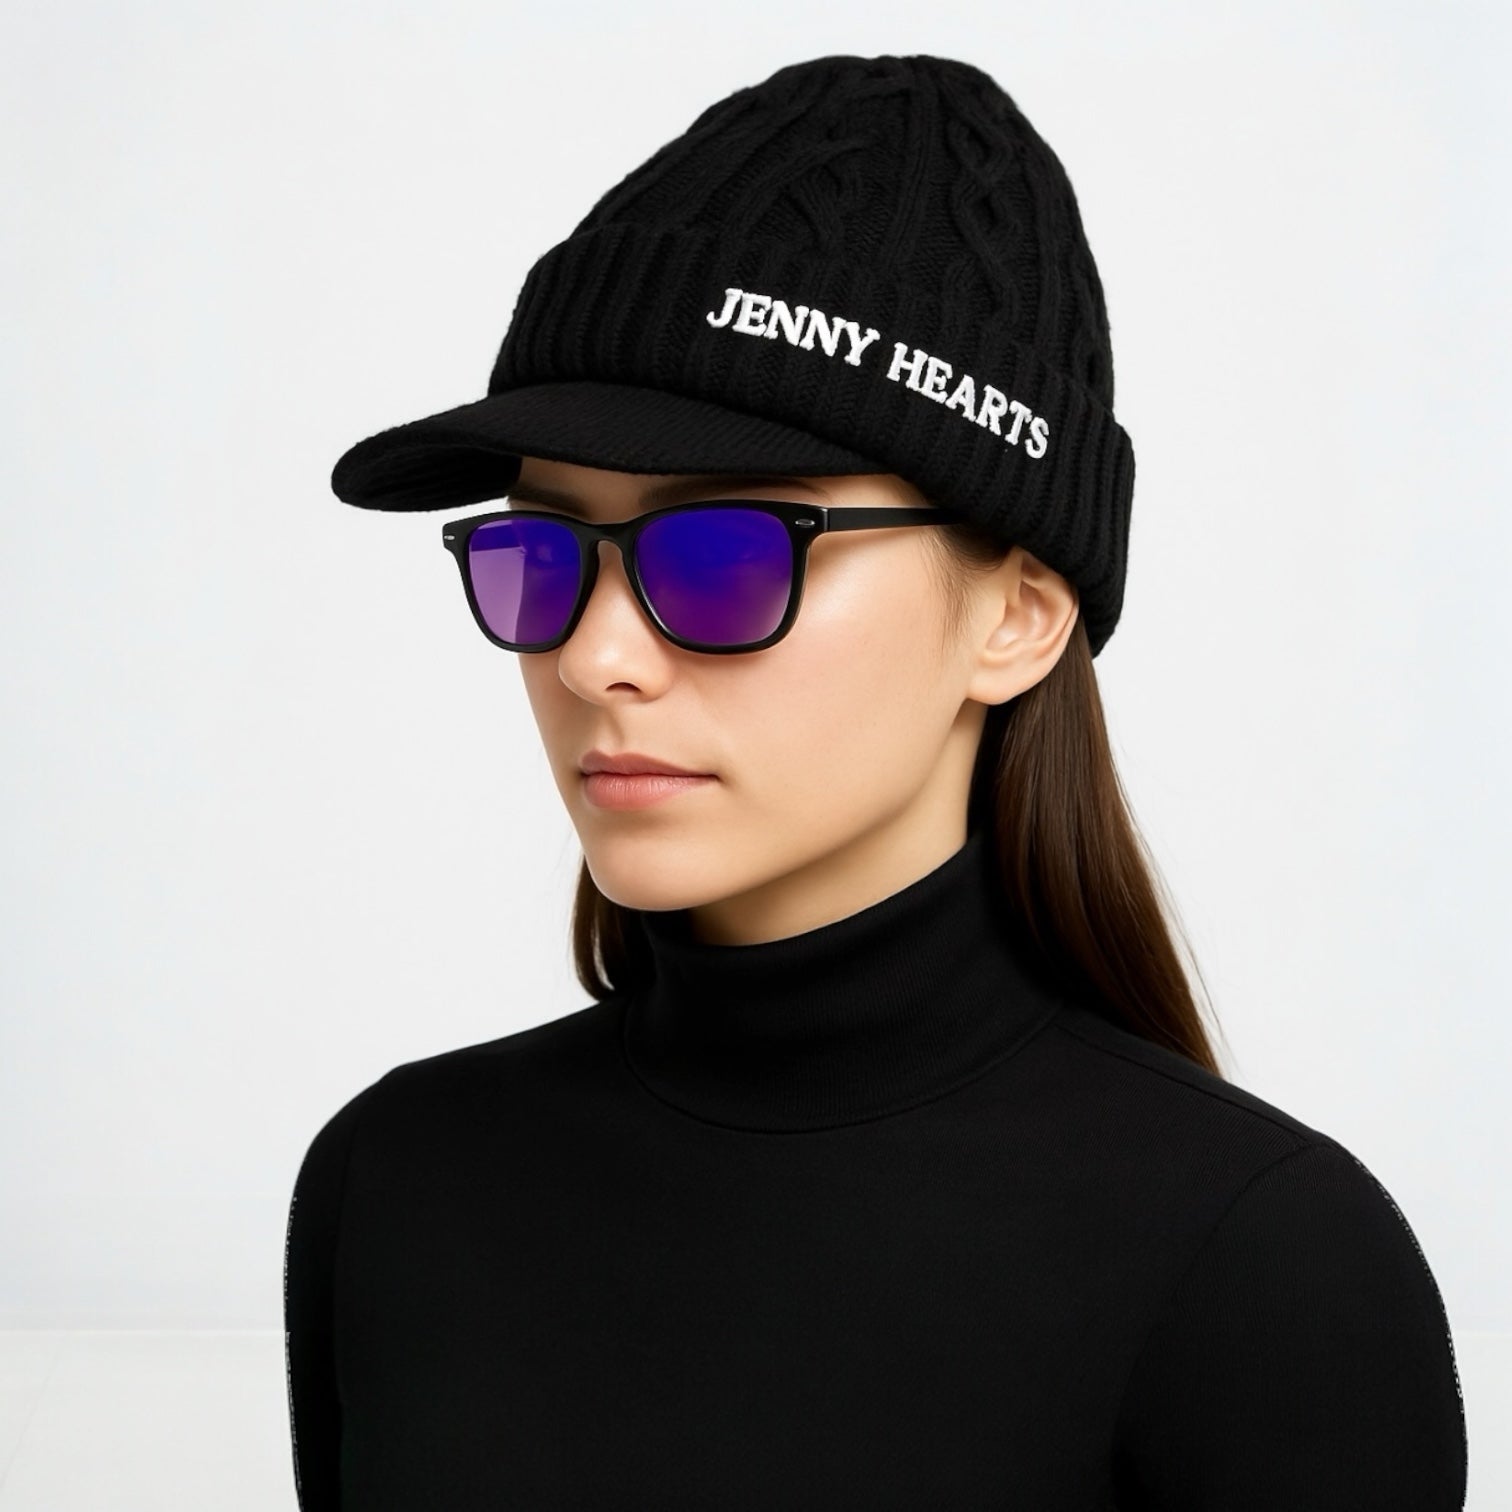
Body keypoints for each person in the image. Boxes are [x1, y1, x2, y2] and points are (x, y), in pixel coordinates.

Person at [284, 53, 1469, 1509]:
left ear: (1016, 617)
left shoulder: (1263, 1270)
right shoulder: (399, 1183)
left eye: (726, 553)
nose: (593, 656)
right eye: (542, 553)